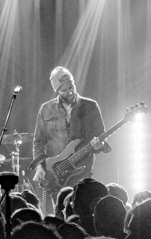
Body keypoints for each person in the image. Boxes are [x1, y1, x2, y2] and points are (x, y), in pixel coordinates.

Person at [31, 67, 109, 211]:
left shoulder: (90, 106)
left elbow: (100, 136)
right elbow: (38, 142)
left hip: (83, 171)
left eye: (71, 87)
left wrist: (99, 145)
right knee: (61, 215)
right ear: (57, 91)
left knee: (84, 213)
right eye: (64, 90)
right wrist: (39, 166)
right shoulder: (46, 109)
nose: (70, 92)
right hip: (56, 175)